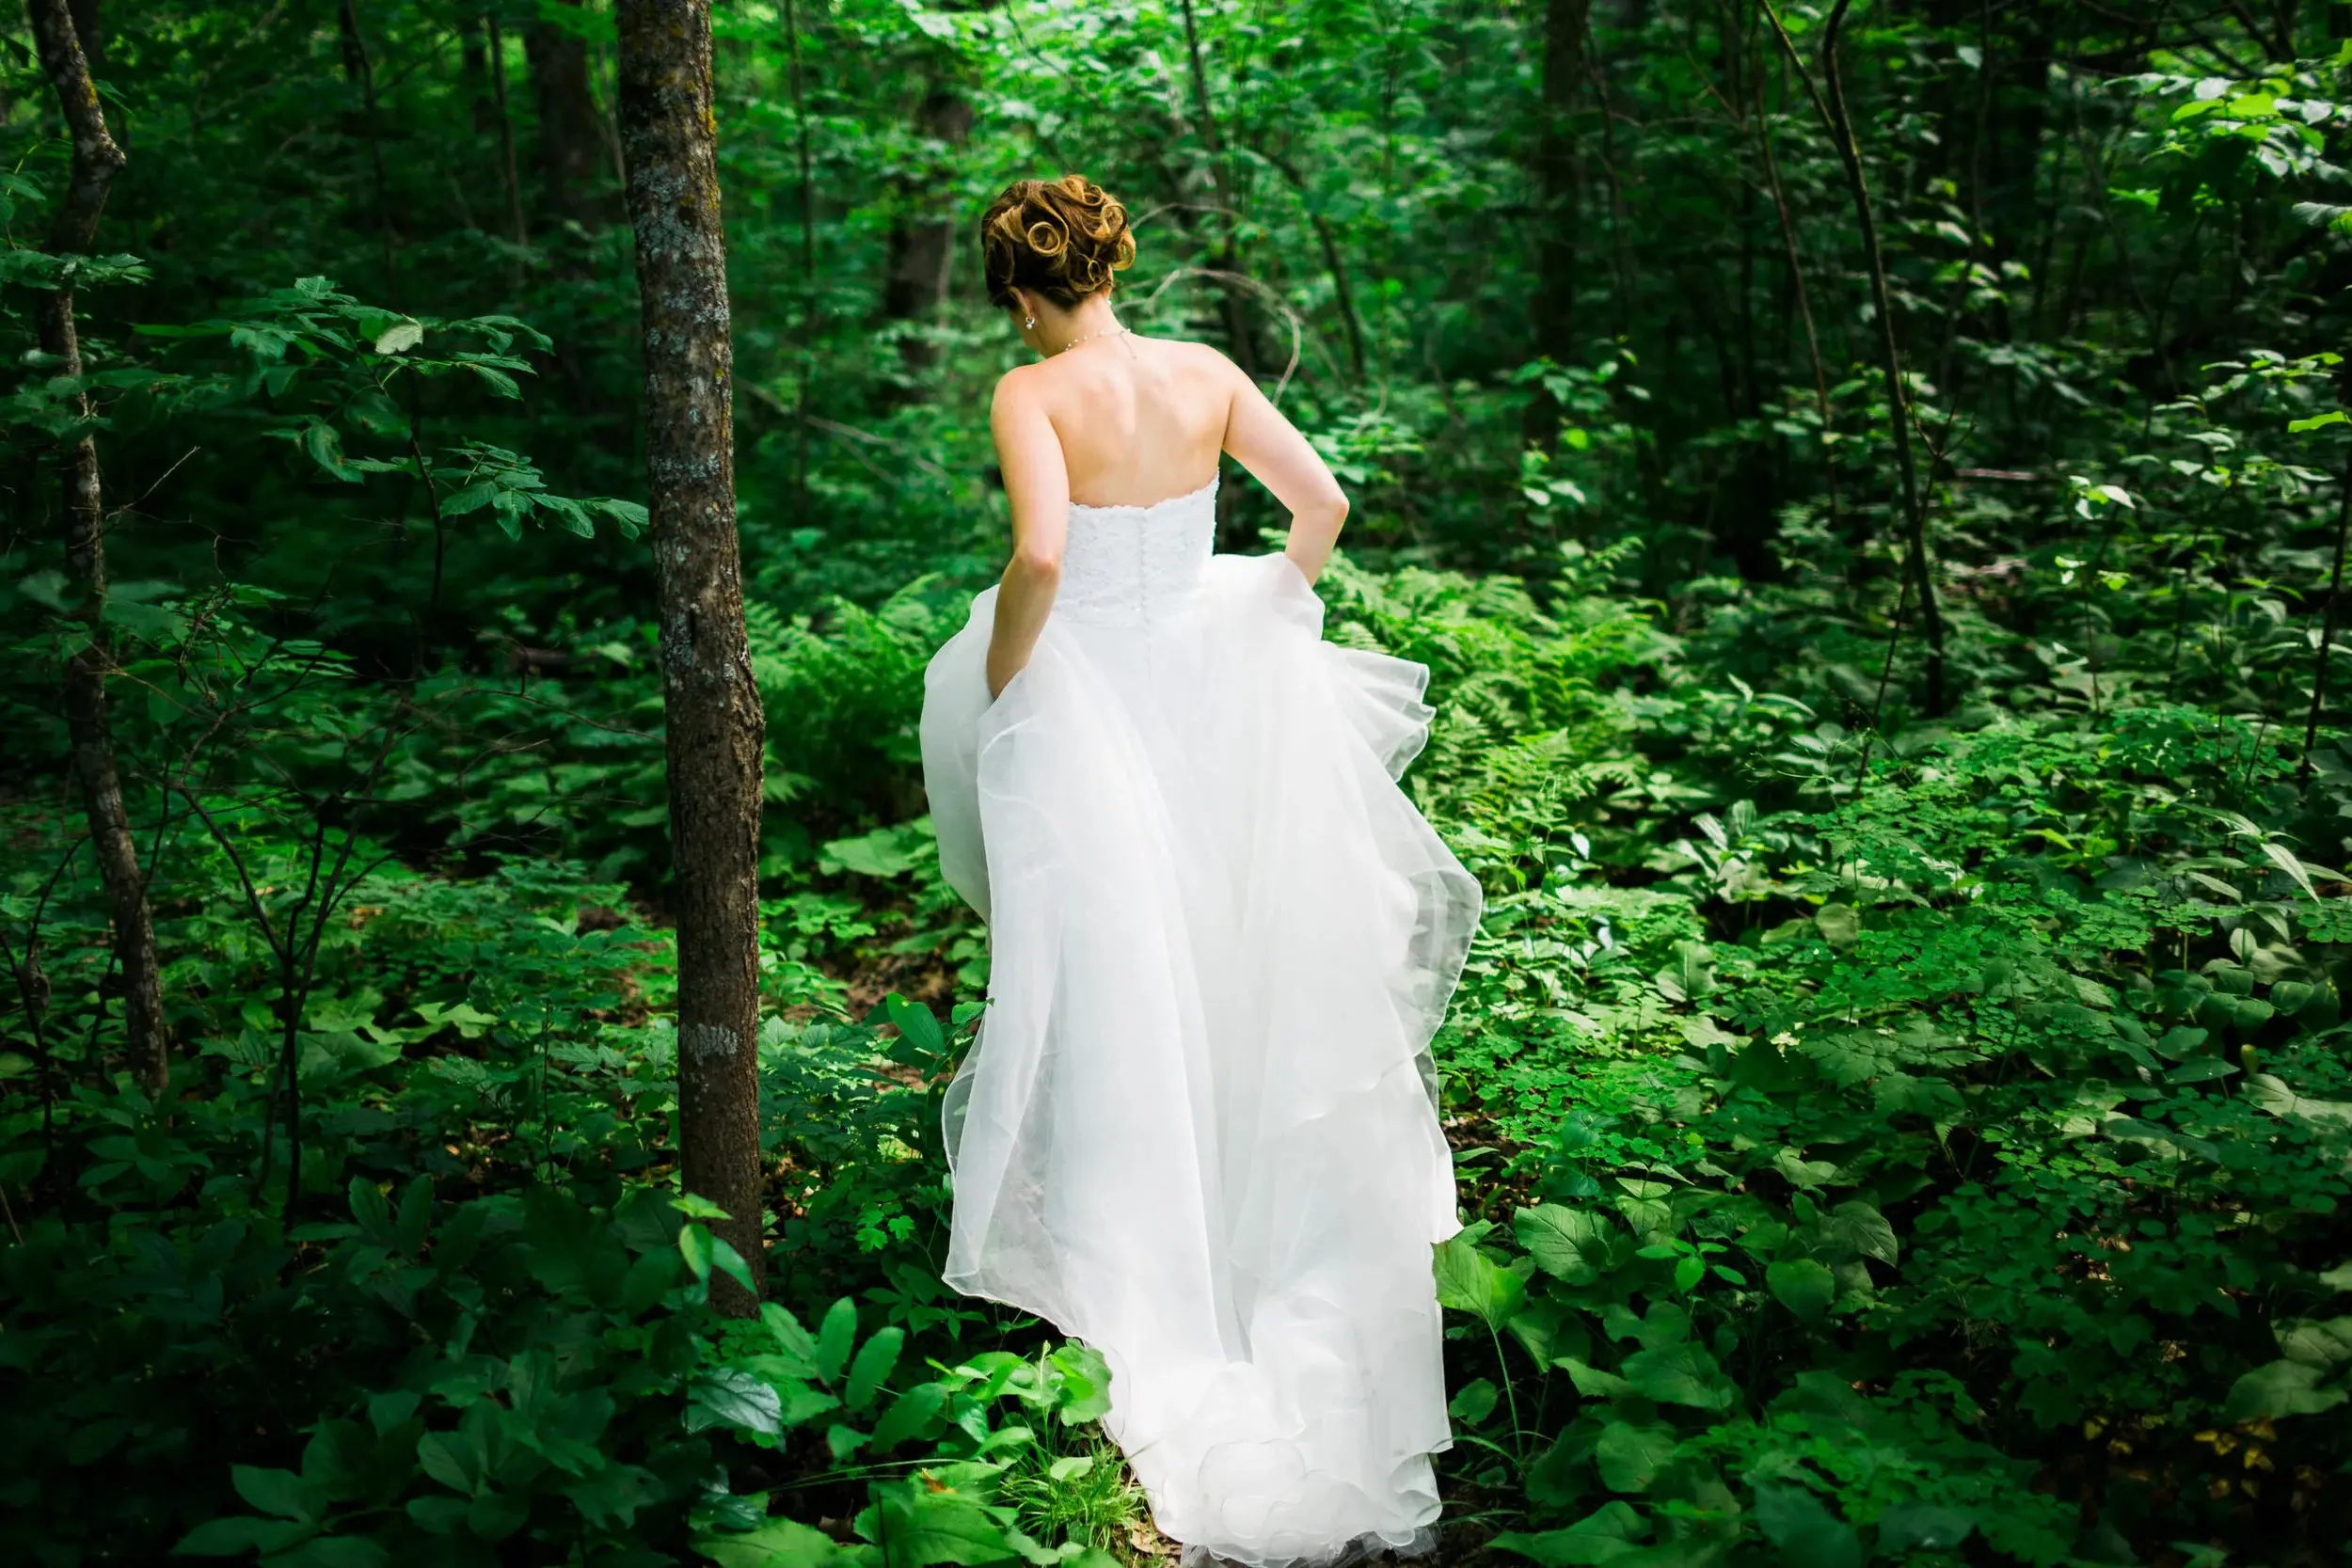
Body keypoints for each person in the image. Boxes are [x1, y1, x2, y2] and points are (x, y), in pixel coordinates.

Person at [919, 174, 1482, 1568]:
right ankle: (1261, 1264)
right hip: (1213, 685)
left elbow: (1042, 553)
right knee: (1239, 972)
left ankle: (1143, 1286)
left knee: (1124, 989)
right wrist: (1268, 613)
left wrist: (1005, 683)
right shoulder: (1208, 370)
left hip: (1095, 701)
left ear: (1018, 289)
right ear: (1113, 264)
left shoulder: (1028, 394)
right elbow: (1325, 504)